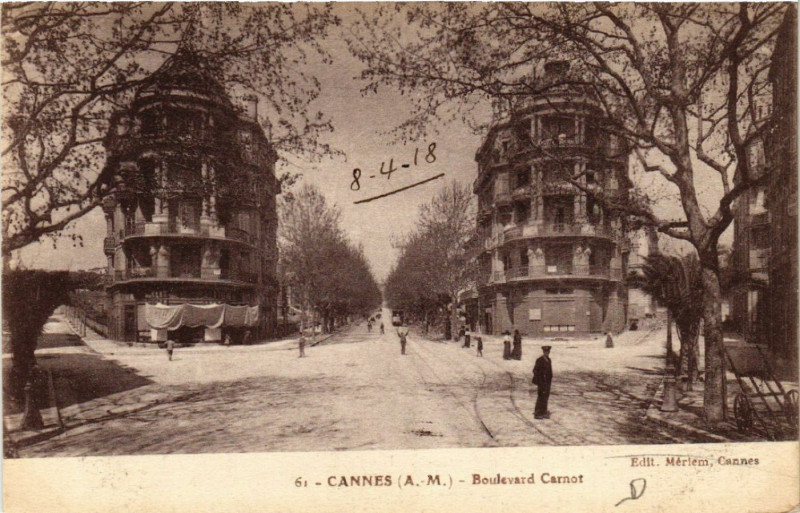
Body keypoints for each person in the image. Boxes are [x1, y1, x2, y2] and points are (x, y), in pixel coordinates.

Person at [531, 346, 553, 419]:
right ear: (543, 352)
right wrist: (540, 379)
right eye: (545, 352)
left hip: (547, 382)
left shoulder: (549, 360)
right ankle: (537, 413)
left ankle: (544, 411)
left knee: (546, 396)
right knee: (541, 396)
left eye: (548, 352)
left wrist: (550, 379)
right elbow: (535, 370)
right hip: (541, 381)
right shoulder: (539, 360)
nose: (547, 353)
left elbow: (550, 371)